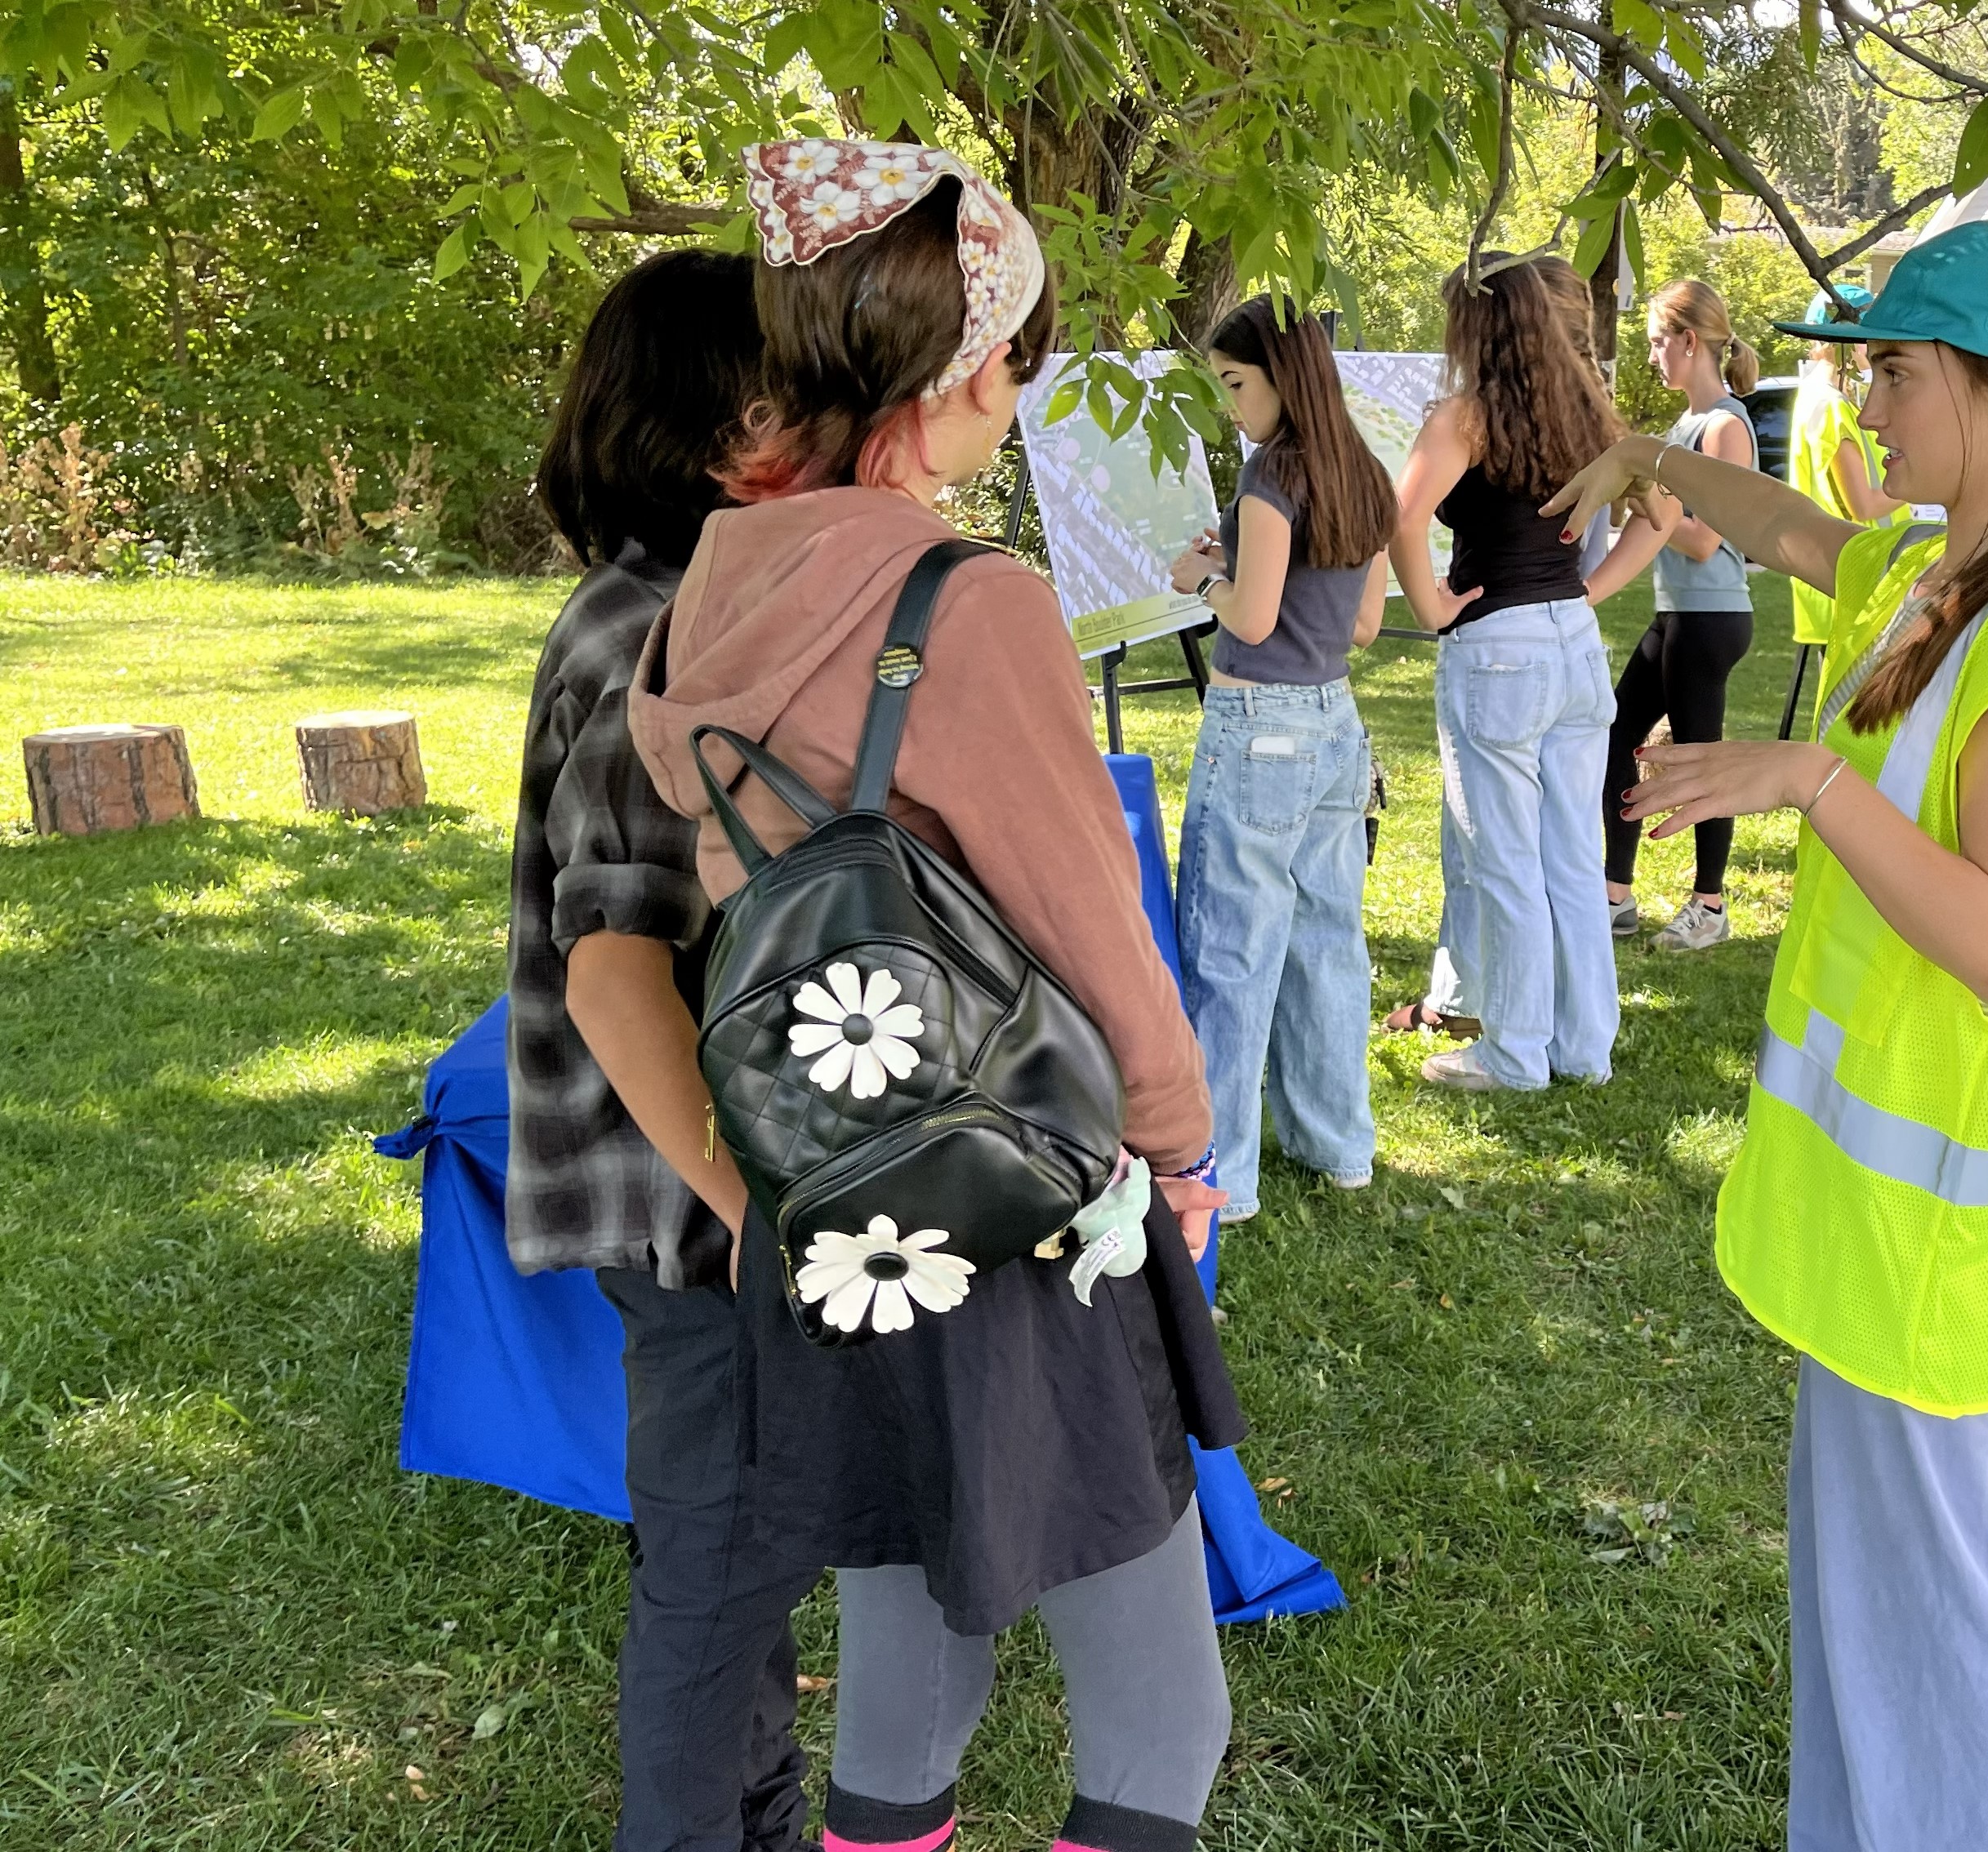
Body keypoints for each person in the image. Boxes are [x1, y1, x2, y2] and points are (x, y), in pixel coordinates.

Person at [628, 140, 1246, 1852]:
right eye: (1017, 355)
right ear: (970, 368)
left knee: (906, 1666)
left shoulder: (709, 590)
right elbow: (1087, 920)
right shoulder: (964, 604)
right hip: (1011, 1193)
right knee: (1161, 1720)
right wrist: (1177, 1144)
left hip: (831, 1208)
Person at [1542, 217, 1988, 1850]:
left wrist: (1811, 782)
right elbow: (1787, 527)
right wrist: (1644, 456)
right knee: (1868, 1614)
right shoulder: (1937, 577)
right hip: (1876, 1227)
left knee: (1949, 1622)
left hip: (1931, 1241)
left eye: (1894, 373)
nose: (1865, 408)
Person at [511, 248, 805, 1852]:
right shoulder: (658, 636)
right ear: (718, 435)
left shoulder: (672, 611)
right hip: (691, 1203)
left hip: (688, 1192)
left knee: (732, 1555)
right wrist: (755, 1207)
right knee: (714, 1569)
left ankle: (762, 1818)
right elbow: (618, 969)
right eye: (792, 396)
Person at [1381, 251, 1665, 1093]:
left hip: (1498, 649)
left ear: (1479, 325)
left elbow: (1402, 517)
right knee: (1573, 858)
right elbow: (1662, 516)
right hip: (1573, 646)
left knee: (1504, 860)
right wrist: (1586, 593)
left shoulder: (1465, 417)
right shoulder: (1590, 413)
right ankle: (1583, 1048)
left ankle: (1513, 1054)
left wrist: (1431, 606)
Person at [1162, 295, 1393, 1222]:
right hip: (1335, 723)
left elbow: (1252, 619)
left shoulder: (1272, 472)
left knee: (1231, 948)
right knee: (1328, 942)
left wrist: (1203, 579)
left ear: (1281, 377)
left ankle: (1222, 1177)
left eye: (1235, 383)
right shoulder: (1362, 471)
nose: (1231, 405)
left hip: (1258, 724)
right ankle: (1339, 1145)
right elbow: (1365, 624)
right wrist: (1244, 562)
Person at [1601, 277, 1764, 951]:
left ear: (1689, 341)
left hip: (1711, 616)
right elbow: (1660, 522)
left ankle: (1710, 904)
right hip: (1675, 614)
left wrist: (1648, 497)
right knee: (1618, 736)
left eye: (1656, 342)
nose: (1651, 356)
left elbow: (1705, 540)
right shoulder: (1680, 430)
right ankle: (1615, 894)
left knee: (1702, 759)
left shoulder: (1725, 426)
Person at [1780, 283, 1905, 732]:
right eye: (1868, 340)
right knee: (1856, 729)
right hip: (1854, 578)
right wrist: (1926, 482)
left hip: (1840, 575)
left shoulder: (1817, 398)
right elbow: (1864, 502)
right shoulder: (1831, 406)